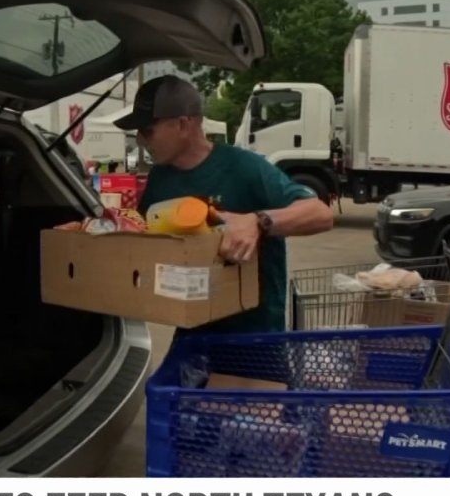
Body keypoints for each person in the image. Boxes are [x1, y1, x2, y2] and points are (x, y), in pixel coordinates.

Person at [115, 75, 334, 334]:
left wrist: (258, 221)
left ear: (183, 124)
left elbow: (320, 214)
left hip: (253, 336)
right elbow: (143, 237)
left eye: (147, 131)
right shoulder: (160, 177)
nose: (141, 141)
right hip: (192, 331)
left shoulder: (243, 167)